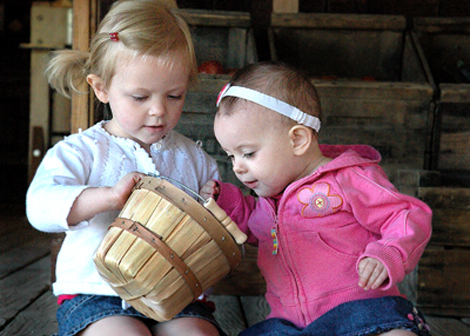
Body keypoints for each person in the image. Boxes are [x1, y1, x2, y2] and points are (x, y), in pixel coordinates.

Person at [26, 1, 223, 335]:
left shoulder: (193, 157)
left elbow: (216, 222)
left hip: (175, 295)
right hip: (97, 292)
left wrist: (215, 201)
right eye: (140, 97)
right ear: (101, 88)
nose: (159, 111)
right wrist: (106, 197)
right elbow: (39, 205)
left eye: (174, 96)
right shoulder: (84, 151)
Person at [200, 62, 433, 336]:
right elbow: (253, 225)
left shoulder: (348, 179)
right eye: (231, 156)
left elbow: (407, 215)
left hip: (360, 314)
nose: (237, 167)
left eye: (248, 153)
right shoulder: (268, 201)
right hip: (292, 327)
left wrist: (388, 253)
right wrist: (224, 200)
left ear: (298, 140)